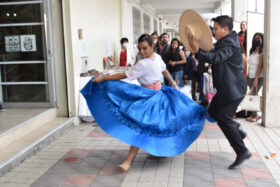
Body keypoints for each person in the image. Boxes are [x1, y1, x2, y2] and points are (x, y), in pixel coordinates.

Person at [82, 34, 206, 172]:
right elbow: (126, 74)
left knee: (145, 127)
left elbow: (162, 70)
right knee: (147, 126)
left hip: (158, 96)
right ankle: (149, 154)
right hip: (151, 97)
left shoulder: (150, 61)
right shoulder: (148, 60)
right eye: (139, 48)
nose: (141, 51)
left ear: (152, 46)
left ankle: (132, 160)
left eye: (145, 48)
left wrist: (103, 79)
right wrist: (105, 79)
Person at [188, 15, 251, 169]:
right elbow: (212, 52)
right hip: (226, 88)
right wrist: (198, 49)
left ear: (225, 29)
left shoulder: (229, 43)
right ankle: (236, 130)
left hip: (232, 89)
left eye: (216, 28)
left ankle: (242, 151)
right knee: (213, 112)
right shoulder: (225, 41)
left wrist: (198, 51)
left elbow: (216, 58)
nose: (213, 31)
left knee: (223, 117)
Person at [246, 32, 264, 122]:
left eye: (258, 38)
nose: (256, 40)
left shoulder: (262, 52)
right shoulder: (252, 51)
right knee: (253, 96)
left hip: (258, 77)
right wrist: (247, 76)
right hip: (251, 76)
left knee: (253, 95)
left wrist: (256, 79)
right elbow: (250, 65)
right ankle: (254, 115)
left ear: (262, 40)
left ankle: (256, 116)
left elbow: (260, 66)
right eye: (255, 38)